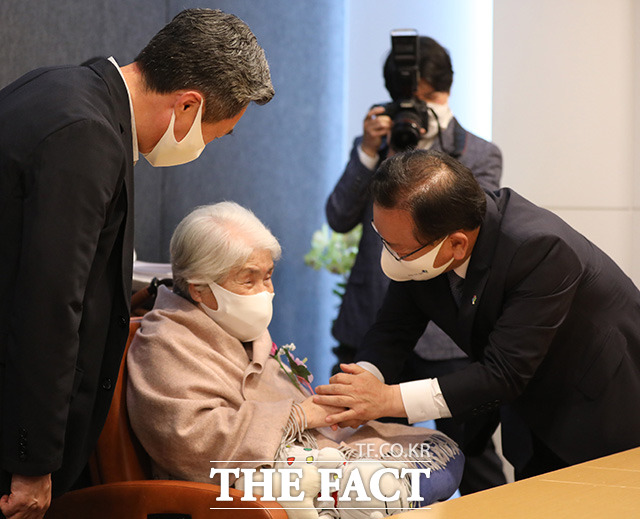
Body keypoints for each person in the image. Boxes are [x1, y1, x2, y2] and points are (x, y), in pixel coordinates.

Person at [0, 8, 274, 518]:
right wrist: (32, 462)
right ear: (188, 105)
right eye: (214, 135)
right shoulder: (88, 136)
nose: (205, 148)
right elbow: (49, 306)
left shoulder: (59, 89)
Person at [315, 149, 640, 480]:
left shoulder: (541, 249)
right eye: (382, 239)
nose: (389, 254)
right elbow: (393, 328)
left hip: (599, 404)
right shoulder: (423, 245)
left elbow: (504, 373)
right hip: (528, 407)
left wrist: (387, 400)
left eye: (397, 248)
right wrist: (361, 382)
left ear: (456, 245)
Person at [126, 202, 464, 518]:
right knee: (389, 484)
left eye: (268, 275)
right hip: (231, 486)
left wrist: (329, 407)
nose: (267, 291)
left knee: (439, 452)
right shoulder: (164, 343)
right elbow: (193, 440)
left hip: (307, 454)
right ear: (199, 289)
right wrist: (299, 415)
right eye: (249, 279)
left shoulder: (237, 326)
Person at [325, 36, 504, 493]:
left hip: (448, 336)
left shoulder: (478, 153)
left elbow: (471, 227)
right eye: (412, 103)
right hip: (373, 324)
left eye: (429, 102)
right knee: (365, 456)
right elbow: (339, 217)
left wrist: (429, 160)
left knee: (475, 457)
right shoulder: (377, 146)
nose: (419, 114)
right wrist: (371, 154)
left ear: (447, 93)